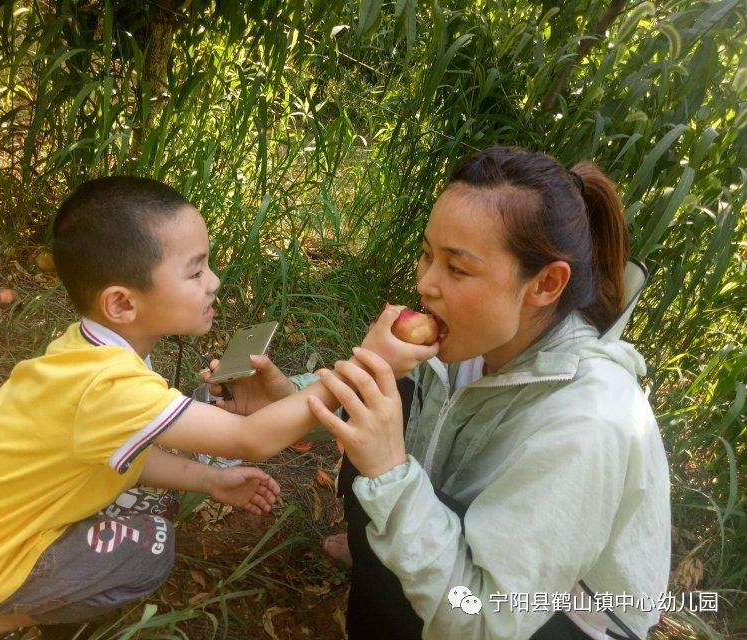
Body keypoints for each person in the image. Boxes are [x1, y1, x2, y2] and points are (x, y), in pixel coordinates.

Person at [0, 176, 437, 640]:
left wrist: (206, 482)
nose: (214, 282)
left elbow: (111, 456)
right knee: (146, 553)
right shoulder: (107, 387)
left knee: (145, 505)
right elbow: (250, 440)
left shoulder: (83, 352)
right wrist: (371, 365)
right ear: (122, 303)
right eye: (195, 271)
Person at [205, 147, 672, 639]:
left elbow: (487, 620)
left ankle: (387, 582)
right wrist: (293, 399)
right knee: (390, 431)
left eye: (457, 268)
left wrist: (388, 473)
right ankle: (378, 573)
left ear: (546, 284)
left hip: (554, 618)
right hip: (475, 539)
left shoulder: (588, 424)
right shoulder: (475, 338)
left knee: (383, 488)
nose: (425, 283)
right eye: (428, 254)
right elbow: (395, 410)